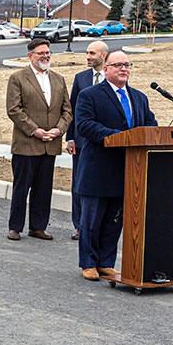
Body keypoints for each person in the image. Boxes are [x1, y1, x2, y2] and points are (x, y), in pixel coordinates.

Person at [73, 50, 157, 280]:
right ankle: (88, 263)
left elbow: (150, 123)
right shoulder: (90, 95)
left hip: (129, 170)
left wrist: (149, 135)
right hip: (98, 169)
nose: (124, 69)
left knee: (114, 221)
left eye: (127, 65)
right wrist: (120, 137)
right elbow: (85, 125)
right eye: (118, 65)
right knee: (91, 221)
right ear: (106, 69)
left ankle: (106, 262)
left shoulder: (139, 97)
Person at [5, 38, 72, 241]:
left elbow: (67, 110)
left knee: (44, 189)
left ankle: (38, 227)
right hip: (27, 144)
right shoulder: (18, 78)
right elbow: (14, 110)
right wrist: (35, 131)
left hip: (50, 144)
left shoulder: (58, 79)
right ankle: (15, 227)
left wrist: (59, 130)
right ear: (30, 56)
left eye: (47, 52)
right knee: (21, 187)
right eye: (41, 53)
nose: (45, 56)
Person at [66, 40, 108, 240]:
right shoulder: (80, 78)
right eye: (87, 53)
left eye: (92, 53)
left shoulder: (113, 77)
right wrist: (70, 137)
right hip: (82, 142)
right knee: (79, 183)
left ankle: (99, 225)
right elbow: (72, 111)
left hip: (107, 142)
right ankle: (79, 225)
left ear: (103, 56)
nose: (88, 57)